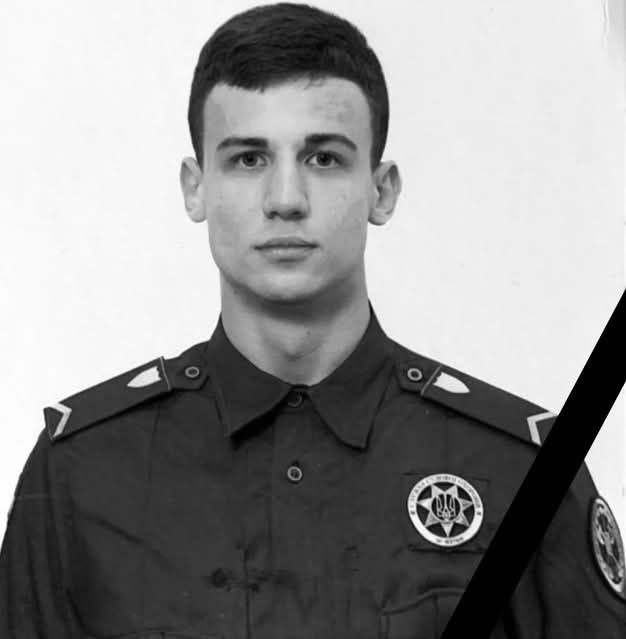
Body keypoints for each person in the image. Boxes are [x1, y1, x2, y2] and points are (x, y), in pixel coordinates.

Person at [1, 2, 624, 637]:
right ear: (196, 187)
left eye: (324, 158)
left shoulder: (520, 471)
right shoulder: (81, 474)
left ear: (382, 190)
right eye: (248, 159)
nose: (286, 199)